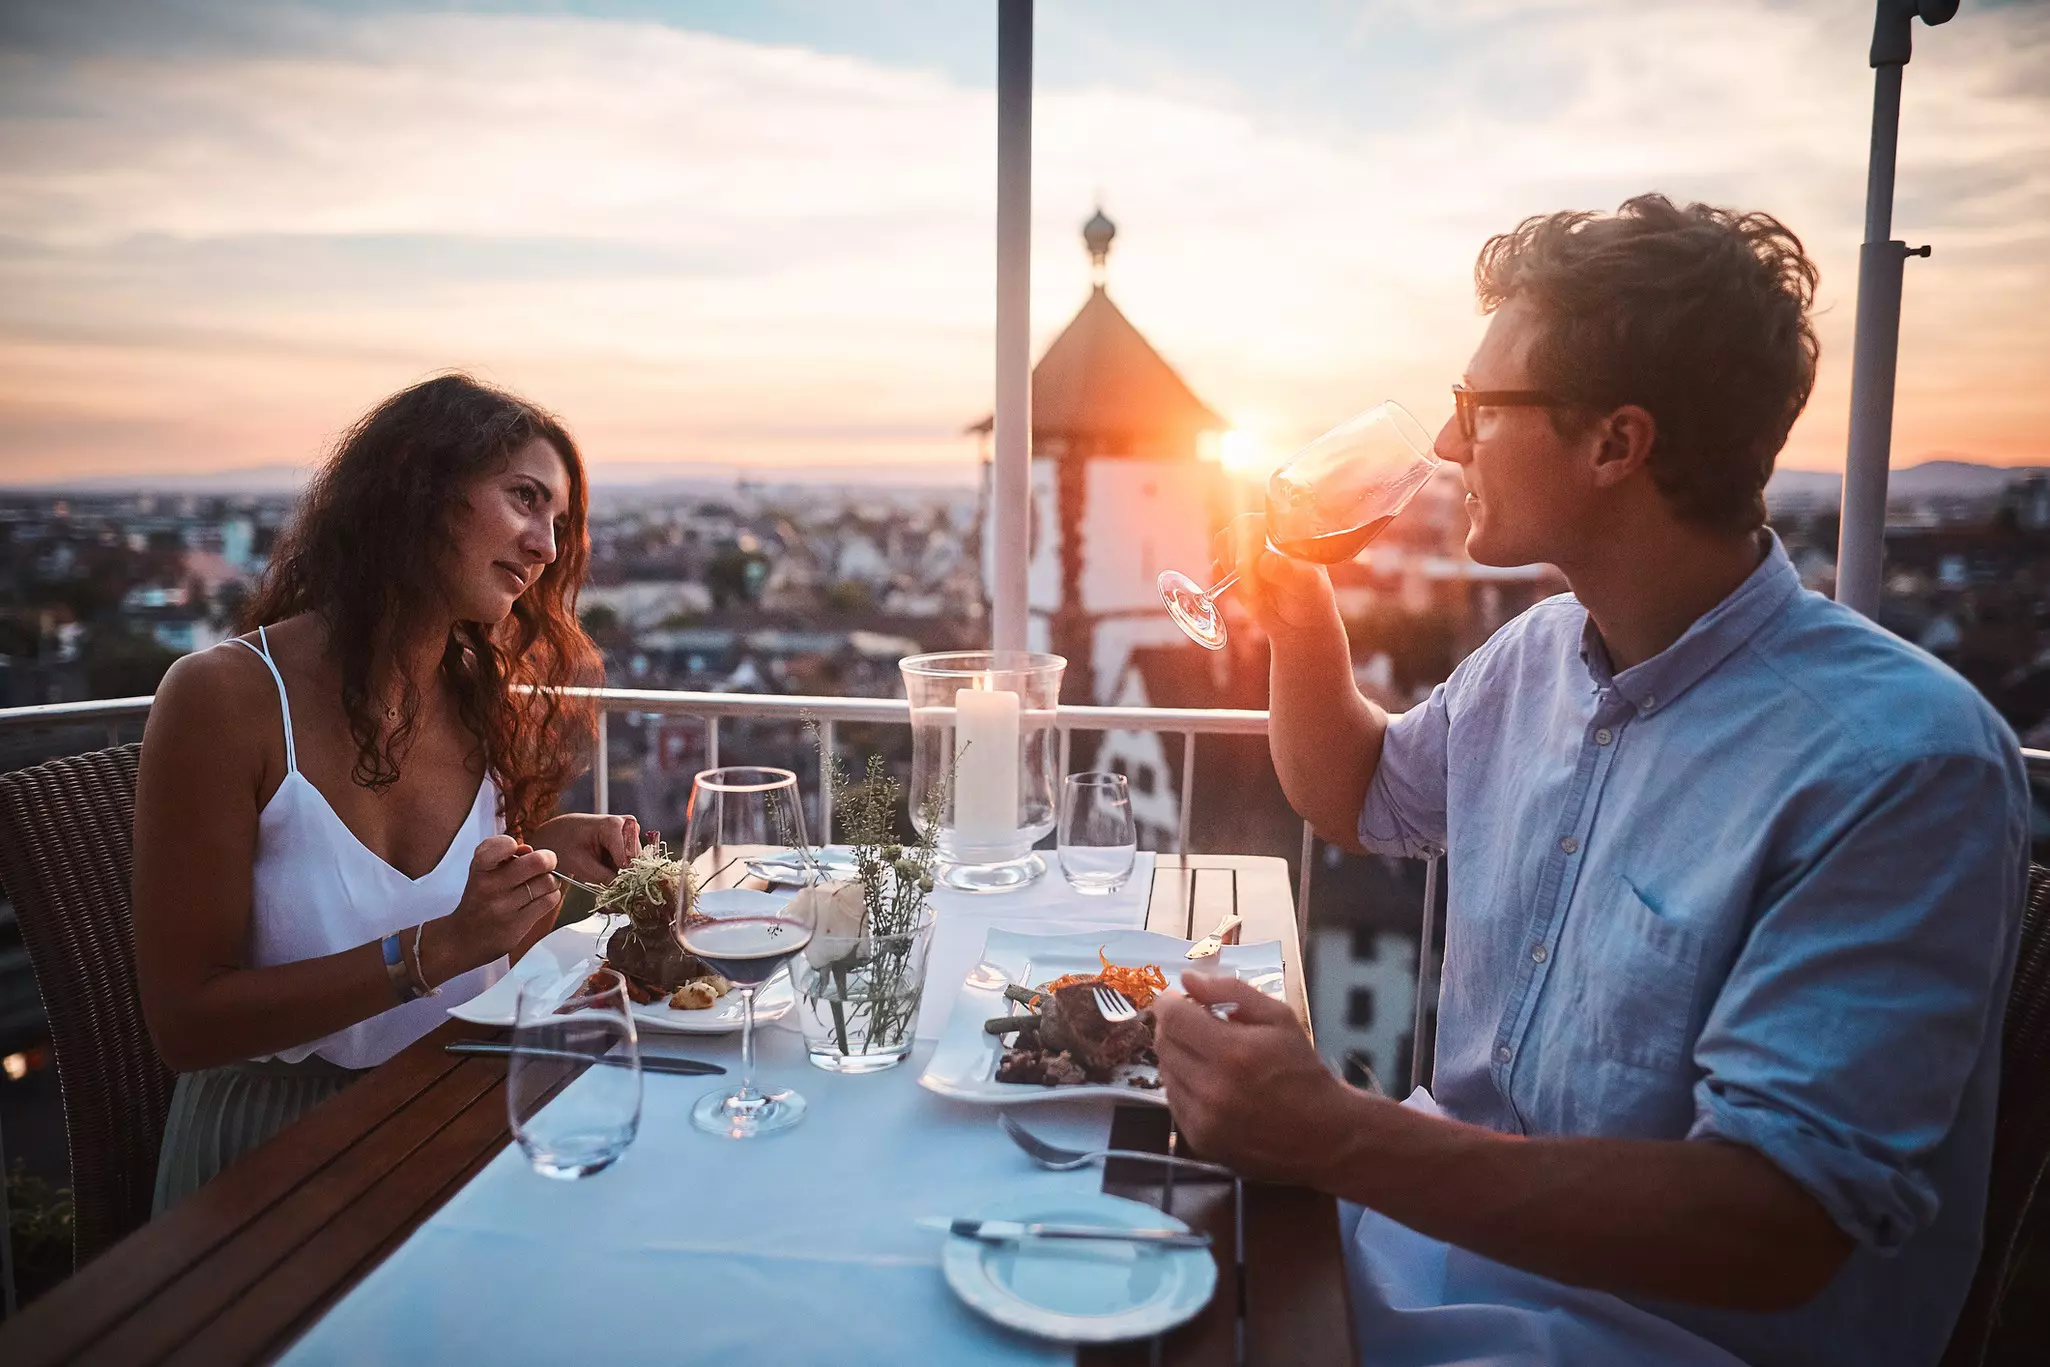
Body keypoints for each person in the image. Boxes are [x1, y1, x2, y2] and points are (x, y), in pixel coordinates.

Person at [1151, 195, 2028, 1367]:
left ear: (1616, 444)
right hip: (1409, 1243)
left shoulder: (1897, 762)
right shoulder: (1534, 654)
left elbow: (1771, 1227)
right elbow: (1351, 792)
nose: (1449, 445)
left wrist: (1334, 1133)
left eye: (1478, 411)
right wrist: (1297, 591)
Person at [135, 374, 645, 1211]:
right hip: (272, 1157)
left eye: (559, 523)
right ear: (418, 482)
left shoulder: (475, 699)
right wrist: (434, 950)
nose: (546, 546)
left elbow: (436, 916)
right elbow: (185, 1021)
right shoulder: (224, 697)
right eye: (524, 498)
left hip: (449, 1104)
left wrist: (546, 849)